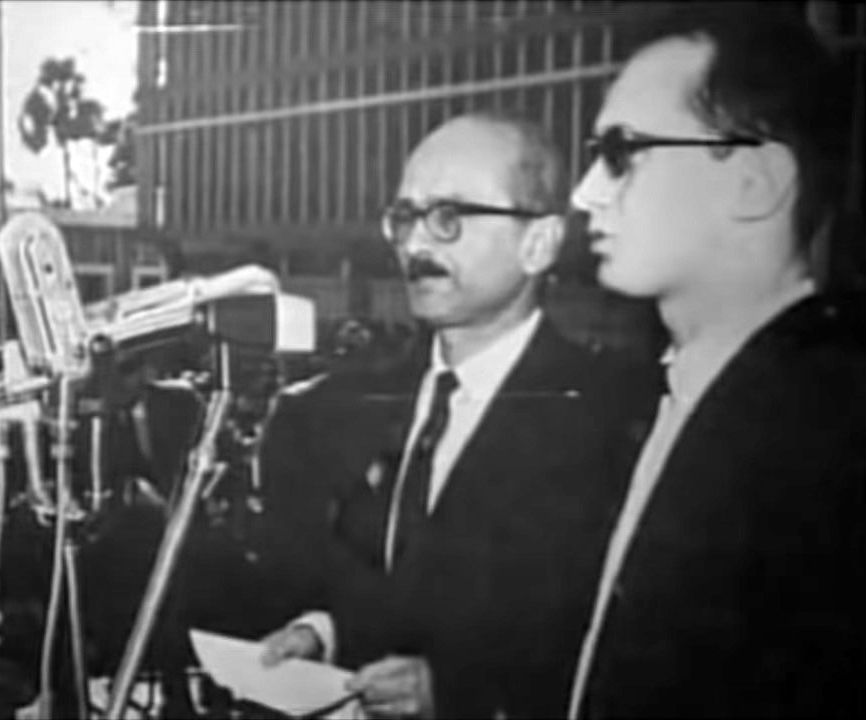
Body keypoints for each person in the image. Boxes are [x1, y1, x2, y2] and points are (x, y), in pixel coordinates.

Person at [256, 112, 649, 718]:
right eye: (406, 218)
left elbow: (618, 650)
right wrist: (322, 633)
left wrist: (459, 693)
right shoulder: (355, 407)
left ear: (539, 242)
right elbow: (385, 586)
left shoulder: (610, 424)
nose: (415, 246)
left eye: (450, 219)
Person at [568, 5, 866, 718]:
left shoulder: (832, 453)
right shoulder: (667, 398)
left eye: (620, 153)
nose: (584, 194)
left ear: (754, 183)